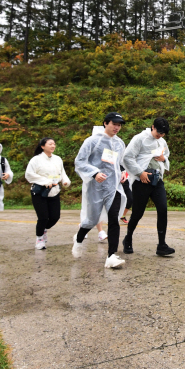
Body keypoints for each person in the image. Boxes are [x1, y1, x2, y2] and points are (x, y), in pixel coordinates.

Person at [73, 112, 128, 269]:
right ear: (105, 123)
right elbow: (80, 162)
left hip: (114, 187)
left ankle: (111, 256)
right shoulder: (92, 141)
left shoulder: (120, 143)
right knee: (92, 219)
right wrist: (94, 173)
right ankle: (78, 239)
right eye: (114, 124)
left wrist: (123, 174)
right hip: (96, 187)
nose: (117, 127)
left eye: (119, 125)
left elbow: (120, 163)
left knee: (113, 219)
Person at [122, 117, 175, 256]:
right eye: (159, 132)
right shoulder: (139, 138)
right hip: (142, 181)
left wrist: (164, 159)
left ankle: (162, 245)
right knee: (138, 213)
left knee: (163, 209)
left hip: (157, 180)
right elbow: (127, 157)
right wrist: (140, 173)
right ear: (153, 127)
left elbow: (166, 155)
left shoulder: (162, 141)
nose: (160, 135)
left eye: (163, 133)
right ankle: (128, 239)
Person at [25, 138, 71, 249]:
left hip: (54, 191)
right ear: (42, 146)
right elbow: (29, 175)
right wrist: (45, 181)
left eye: (54, 144)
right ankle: (39, 238)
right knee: (43, 217)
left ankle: (43, 229)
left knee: (55, 217)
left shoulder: (57, 159)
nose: (53, 145)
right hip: (40, 192)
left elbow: (62, 173)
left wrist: (65, 181)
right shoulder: (36, 160)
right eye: (50, 144)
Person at [96, 166, 132, 243]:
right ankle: (97, 230)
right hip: (103, 178)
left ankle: (112, 249)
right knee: (98, 208)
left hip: (119, 179)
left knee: (114, 212)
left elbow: (121, 162)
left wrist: (122, 172)